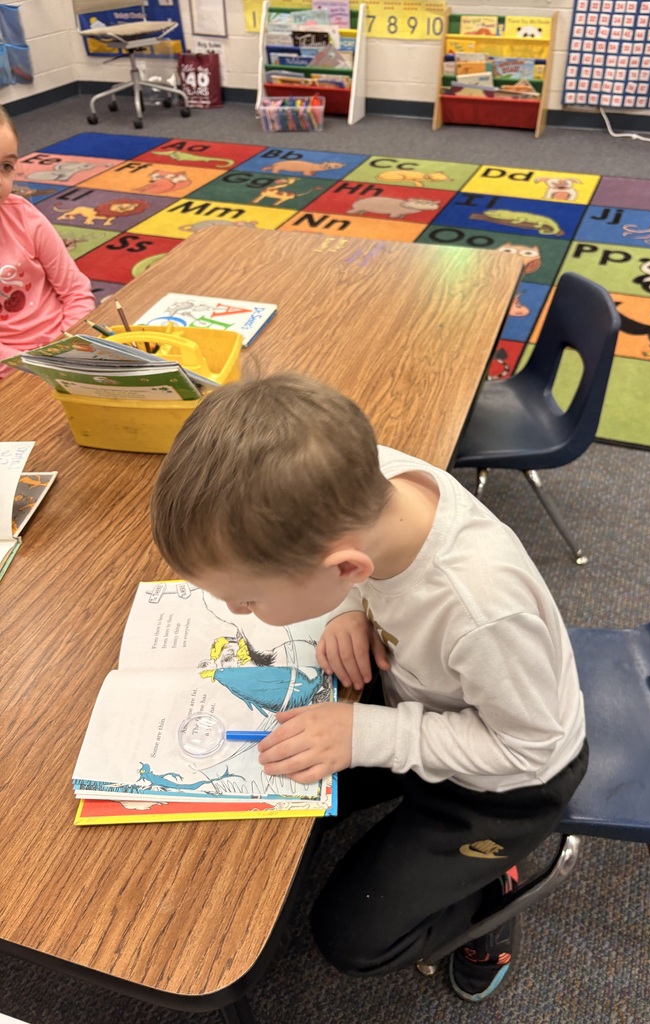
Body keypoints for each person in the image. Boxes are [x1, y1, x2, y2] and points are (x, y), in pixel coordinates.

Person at [150, 373, 588, 1003]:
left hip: (508, 782)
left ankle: (488, 892)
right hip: (422, 699)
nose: (239, 612)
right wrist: (349, 608)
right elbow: (352, 570)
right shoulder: (372, 483)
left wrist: (369, 733)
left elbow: (531, 749)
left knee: (351, 939)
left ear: (344, 564)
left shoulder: (482, 610)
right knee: (280, 785)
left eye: (246, 599)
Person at [0, 105, 93, 378]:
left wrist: (67, 342)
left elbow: (76, 292)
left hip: (65, 345)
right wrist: (27, 368)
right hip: (12, 370)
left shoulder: (24, 215)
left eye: (6, 166)